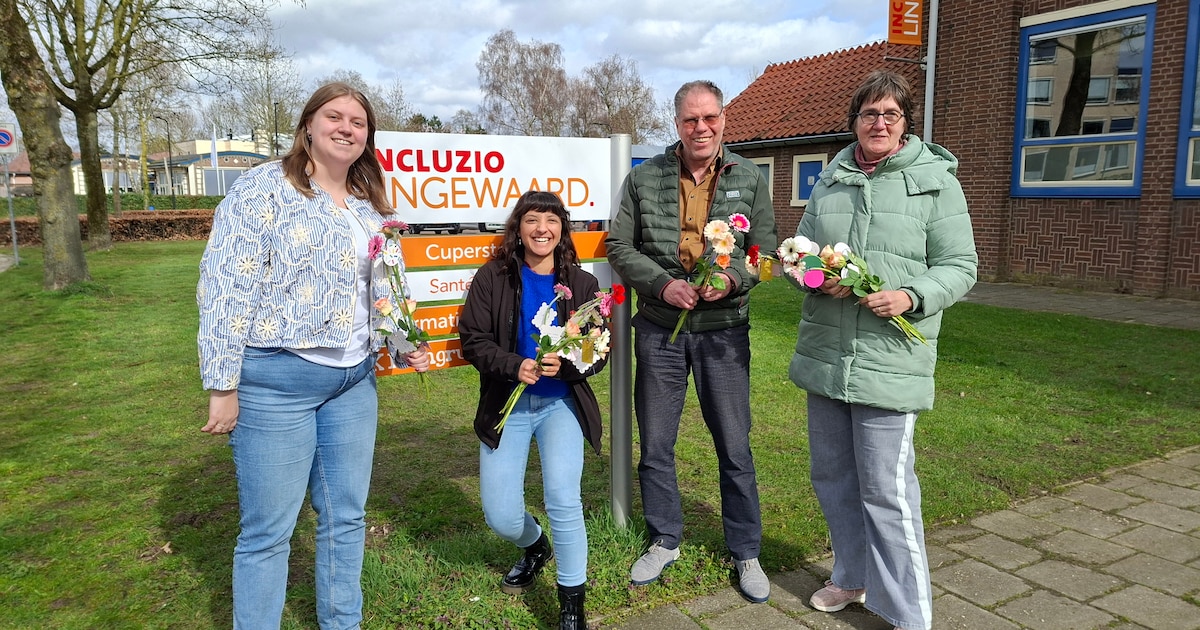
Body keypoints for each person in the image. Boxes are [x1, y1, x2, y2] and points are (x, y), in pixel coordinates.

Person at [197, 82, 431, 629]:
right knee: (267, 534)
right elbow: (226, 286)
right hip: (277, 380)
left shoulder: (371, 208)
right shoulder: (263, 190)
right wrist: (222, 384)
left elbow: (384, 290)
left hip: (353, 381)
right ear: (308, 125)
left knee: (346, 518)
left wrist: (403, 343)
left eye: (358, 121)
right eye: (334, 116)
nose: (346, 127)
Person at [789, 70, 977, 630]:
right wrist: (816, 277)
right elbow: (802, 254)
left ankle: (908, 614)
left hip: (890, 358)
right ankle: (851, 575)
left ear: (905, 124)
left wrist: (912, 295)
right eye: (869, 113)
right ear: (854, 120)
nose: (879, 123)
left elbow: (961, 266)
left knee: (887, 492)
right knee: (833, 478)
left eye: (890, 114)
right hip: (827, 355)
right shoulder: (832, 178)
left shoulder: (935, 181)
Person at [605, 80, 777, 603]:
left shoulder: (749, 177)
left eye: (710, 118)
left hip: (723, 334)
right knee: (655, 444)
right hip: (660, 331)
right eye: (690, 120)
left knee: (734, 445)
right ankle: (665, 538)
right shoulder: (645, 176)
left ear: (723, 119)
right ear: (675, 122)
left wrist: (731, 280)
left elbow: (765, 255)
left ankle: (745, 549)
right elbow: (618, 243)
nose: (701, 128)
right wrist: (662, 283)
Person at [458, 190, 607, 630]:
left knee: (563, 497)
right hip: (509, 403)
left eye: (552, 220)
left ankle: (572, 606)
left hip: (560, 403)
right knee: (501, 515)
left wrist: (569, 362)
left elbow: (597, 351)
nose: (542, 228)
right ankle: (534, 545)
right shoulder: (494, 277)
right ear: (518, 229)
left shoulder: (583, 285)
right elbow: (473, 340)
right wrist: (513, 364)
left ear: (563, 229)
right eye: (532, 220)